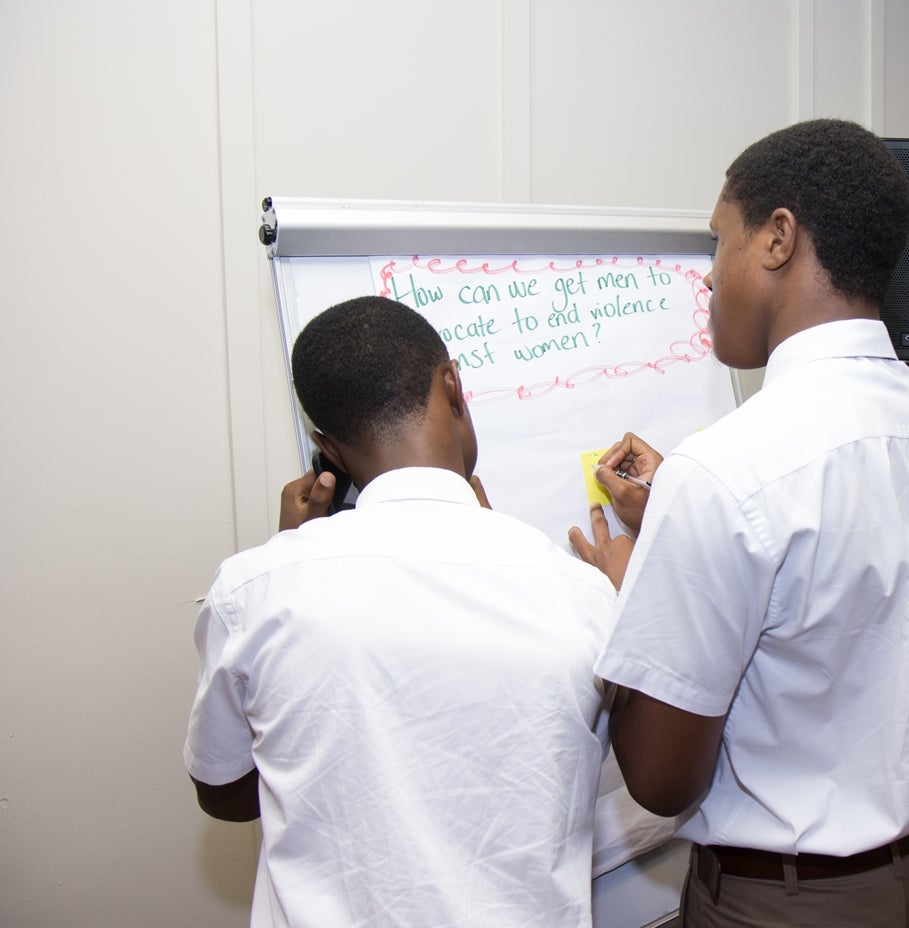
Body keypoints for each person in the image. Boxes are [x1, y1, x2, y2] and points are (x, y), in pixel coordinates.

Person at [569, 118, 909, 927]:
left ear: (778, 239)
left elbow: (661, 781)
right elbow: (845, 596)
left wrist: (632, 588)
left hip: (788, 903)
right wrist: (683, 518)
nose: (707, 278)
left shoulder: (729, 469)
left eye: (717, 243)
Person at [183, 295, 617, 928]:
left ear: (325, 448)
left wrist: (284, 553)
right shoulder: (581, 594)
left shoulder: (255, 588)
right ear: (453, 384)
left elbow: (224, 792)